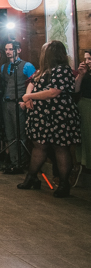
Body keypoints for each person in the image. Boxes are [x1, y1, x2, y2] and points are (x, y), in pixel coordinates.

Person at [18, 41, 81, 197]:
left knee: (60, 148)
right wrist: (28, 98)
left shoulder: (63, 70)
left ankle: (64, 184)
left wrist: (29, 96)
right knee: (39, 146)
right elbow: (32, 82)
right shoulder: (44, 70)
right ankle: (31, 177)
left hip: (58, 115)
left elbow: (53, 92)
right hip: (42, 115)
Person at [0, 41, 36, 175]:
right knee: (10, 134)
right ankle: (14, 162)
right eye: (6, 49)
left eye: (11, 49)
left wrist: (27, 99)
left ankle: (22, 162)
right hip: (7, 103)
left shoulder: (27, 65)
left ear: (19, 50)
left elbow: (35, 83)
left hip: (19, 102)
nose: (8, 51)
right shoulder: (4, 66)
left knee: (20, 134)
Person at [75, 50, 91, 183]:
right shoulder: (85, 74)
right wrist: (80, 75)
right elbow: (75, 89)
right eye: (86, 59)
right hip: (84, 105)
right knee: (85, 137)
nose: (87, 62)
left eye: (90, 59)